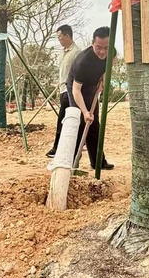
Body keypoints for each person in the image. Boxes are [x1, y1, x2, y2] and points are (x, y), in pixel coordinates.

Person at [66, 27, 114, 170]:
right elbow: (76, 90)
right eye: (98, 47)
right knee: (80, 123)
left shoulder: (111, 52)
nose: (103, 52)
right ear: (92, 43)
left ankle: (98, 162)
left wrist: (103, 80)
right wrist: (85, 112)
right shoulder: (83, 62)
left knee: (94, 125)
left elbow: (110, 63)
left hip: (93, 87)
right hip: (77, 88)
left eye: (106, 48)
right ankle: (71, 163)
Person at [46, 24, 81, 157]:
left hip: (71, 90)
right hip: (62, 89)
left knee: (64, 119)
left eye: (60, 36)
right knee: (64, 119)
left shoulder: (77, 52)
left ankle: (57, 148)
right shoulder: (62, 53)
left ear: (67, 36)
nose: (59, 39)